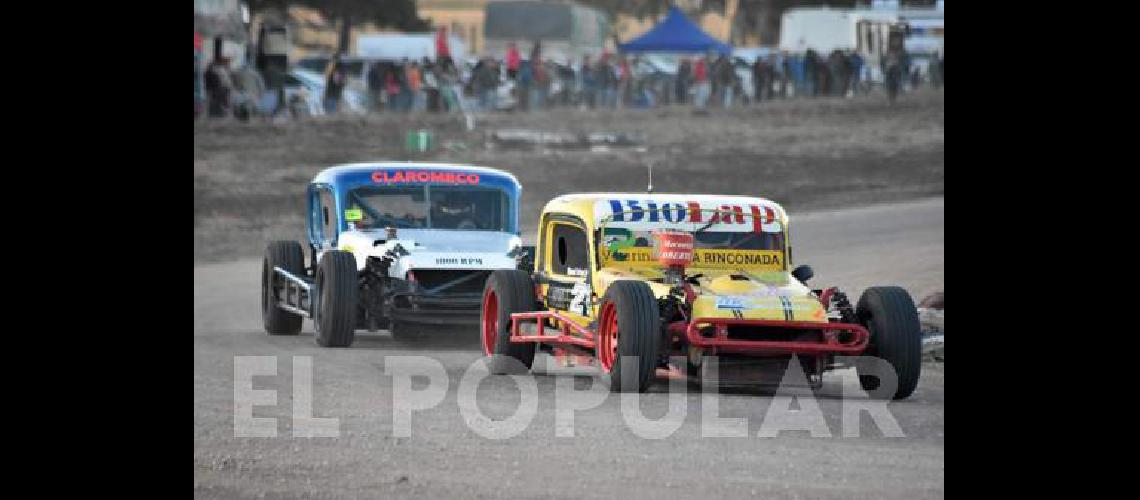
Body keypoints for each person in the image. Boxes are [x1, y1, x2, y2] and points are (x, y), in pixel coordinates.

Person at [204, 39, 234, 118]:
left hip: (216, 90)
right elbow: (226, 82)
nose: (229, 64)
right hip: (221, 89)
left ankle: (221, 112)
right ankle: (224, 113)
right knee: (224, 101)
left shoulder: (215, 69)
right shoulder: (219, 70)